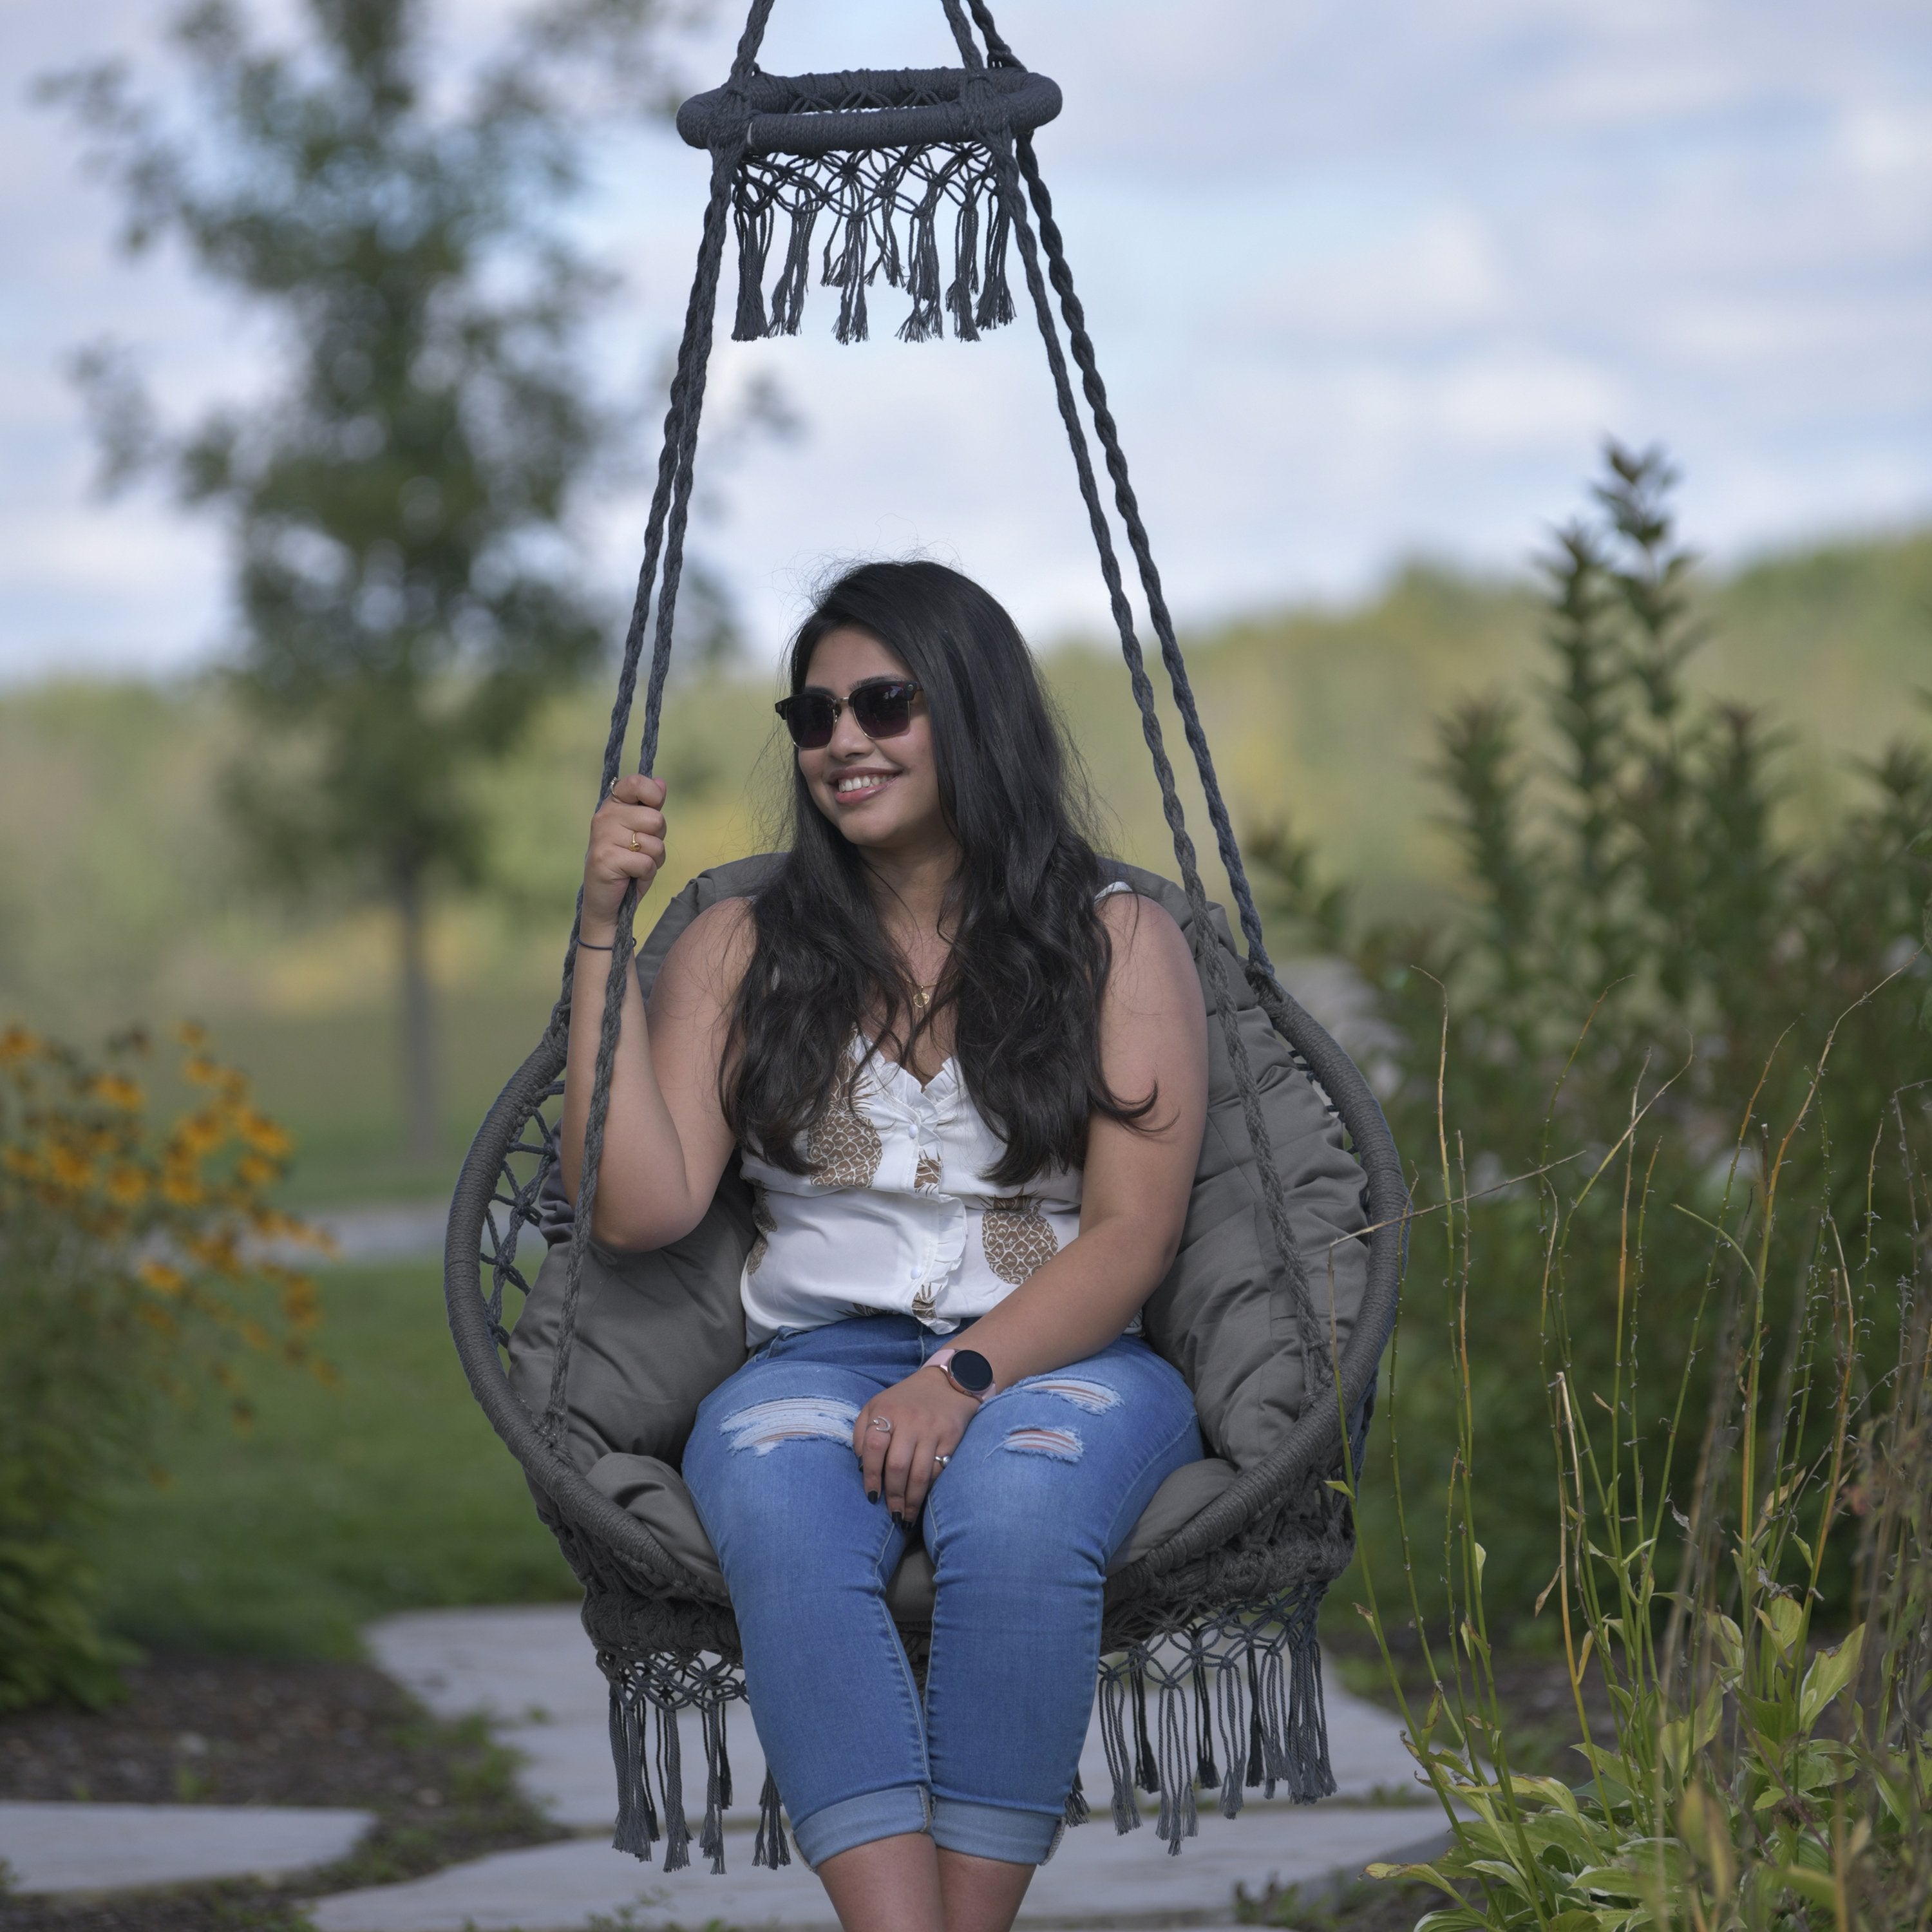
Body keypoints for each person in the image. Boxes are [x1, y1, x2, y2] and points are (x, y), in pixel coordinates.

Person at [560, 560, 1209, 1932]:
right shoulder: (740, 943)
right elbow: (639, 1208)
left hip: (1061, 1349)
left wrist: (962, 1378)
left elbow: (1133, 1234)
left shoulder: (1118, 937)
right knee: (781, 1504)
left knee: (1022, 1510)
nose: (841, 739)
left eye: (883, 703)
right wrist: (603, 937)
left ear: (968, 711)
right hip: (817, 1354)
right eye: (813, 715)